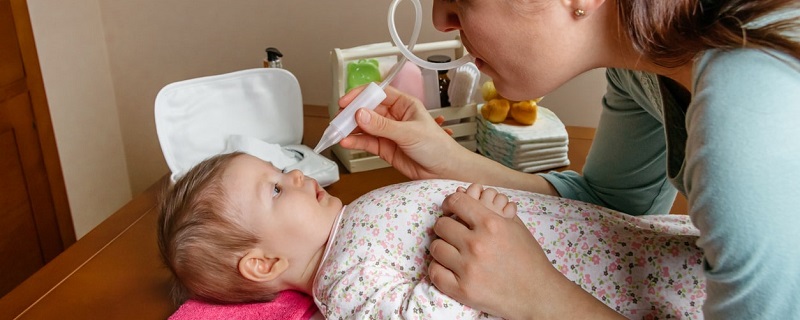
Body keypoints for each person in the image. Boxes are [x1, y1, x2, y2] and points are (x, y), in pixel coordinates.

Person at [336, 0, 800, 318]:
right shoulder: (640, 67)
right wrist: (448, 161)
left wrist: (538, 297)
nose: (442, 17)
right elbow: (611, 202)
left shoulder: (750, 116)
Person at [158, 152, 705, 318]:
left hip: (626, 238)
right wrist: (480, 236)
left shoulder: (350, 226)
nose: (298, 176)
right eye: (276, 190)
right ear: (263, 263)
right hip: (609, 289)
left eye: (281, 171)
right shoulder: (345, 284)